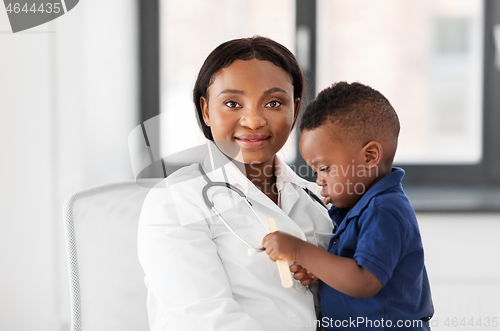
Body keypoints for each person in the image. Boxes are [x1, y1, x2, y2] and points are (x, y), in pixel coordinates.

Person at [138, 36, 334, 331]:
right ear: (205, 110)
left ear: (294, 111)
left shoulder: (318, 200)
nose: (253, 120)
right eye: (232, 103)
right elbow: (206, 322)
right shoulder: (175, 201)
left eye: (273, 102)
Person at [262, 82, 434, 330]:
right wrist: (320, 272)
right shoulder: (358, 209)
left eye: (325, 168)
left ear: (369, 157)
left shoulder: (385, 210)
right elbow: (349, 271)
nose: (319, 180)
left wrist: (300, 251)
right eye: (315, 171)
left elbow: (364, 280)